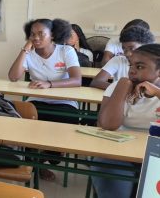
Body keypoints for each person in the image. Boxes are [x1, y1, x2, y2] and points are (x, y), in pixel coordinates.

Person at [8, 18, 81, 181]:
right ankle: (36, 163)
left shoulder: (66, 51)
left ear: (53, 35)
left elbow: (77, 80)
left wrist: (50, 84)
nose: (36, 37)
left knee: (65, 122)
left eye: (41, 34)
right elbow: (13, 77)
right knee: (26, 120)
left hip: (64, 101)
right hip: (37, 99)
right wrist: (25, 49)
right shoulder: (30, 53)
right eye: (32, 34)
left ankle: (45, 158)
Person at [91, 44, 160, 198]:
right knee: (107, 168)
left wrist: (157, 92)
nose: (132, 70)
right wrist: (123, 86)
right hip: (120, 152)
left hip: (156, 151)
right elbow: (107, 125)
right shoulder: (118, 86)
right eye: (131, 65)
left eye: (140, 67)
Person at [91, 26, 155, 90]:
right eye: (124, 49)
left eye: (132, 48)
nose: (127, 53)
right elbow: (96, 82)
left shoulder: (154, 65)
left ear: (146, 47)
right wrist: (124, 88)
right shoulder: (118, 60)